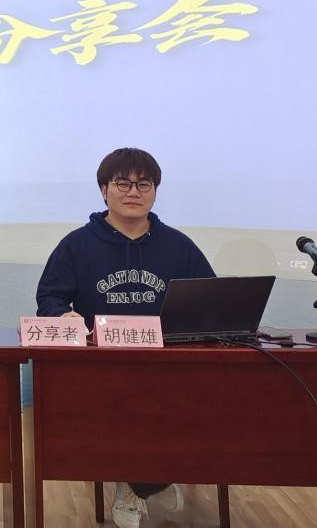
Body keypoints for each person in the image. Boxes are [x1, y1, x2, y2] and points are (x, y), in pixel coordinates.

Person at [35, 147, 214, 528]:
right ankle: (145, 481)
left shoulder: (178, 246)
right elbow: (49, 298)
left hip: (168, 365)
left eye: (143, 184)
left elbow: (210, 298)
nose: (134, 192)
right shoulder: (76, 245)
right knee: (129, 400)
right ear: (104, 190)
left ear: (155, 192)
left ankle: (147, 479)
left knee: (201, 399)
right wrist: (63, 316)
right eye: (123, 183)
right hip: (102, 366)